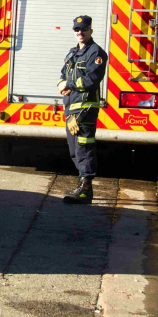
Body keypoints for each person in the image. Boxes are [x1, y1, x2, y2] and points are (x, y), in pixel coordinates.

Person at [57, 15, 108, 204]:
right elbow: (63, 73)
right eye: (77, 29)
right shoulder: (73, 53)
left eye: (84, 29)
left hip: (85, 108)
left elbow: (91, 80)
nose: (80, 32)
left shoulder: (96, 53)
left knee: (84, 147)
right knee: (74, 148)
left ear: (90, 31)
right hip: (71, 107)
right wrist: (61, 83)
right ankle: (82, 184)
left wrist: (68, 83)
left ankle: (86, 190)